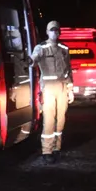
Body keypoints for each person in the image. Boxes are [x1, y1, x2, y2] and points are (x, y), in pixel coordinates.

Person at [28, 20, 74, 163]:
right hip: (48, 88)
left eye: (56, 30)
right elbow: (33, 59)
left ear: (59, 32)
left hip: (62, 88)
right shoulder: (41, 48)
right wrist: (30, 60)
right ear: (47, 32)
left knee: (60, 120)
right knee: (49, 119)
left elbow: (68, 70)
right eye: (52, 30)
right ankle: (46, 151)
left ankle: (56, 148)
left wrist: (70, 90)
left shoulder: (64, 49)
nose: (54, 32)